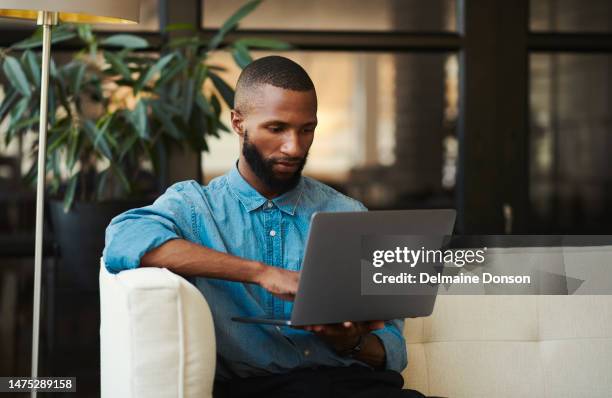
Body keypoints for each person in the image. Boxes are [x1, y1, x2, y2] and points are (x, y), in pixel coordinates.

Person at [103, 56, 425, 398]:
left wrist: (351, 342)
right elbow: (124, 239)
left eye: (306, 129)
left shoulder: (348, 213)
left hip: (359, 388)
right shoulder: (196, 208)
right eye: (277, 129)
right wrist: (260, 273)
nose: (294, 147)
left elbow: (391, 348)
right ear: (238, 123)